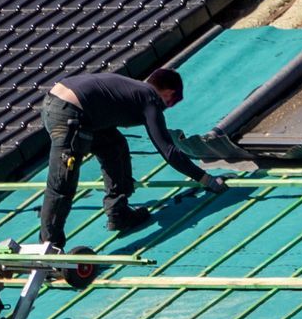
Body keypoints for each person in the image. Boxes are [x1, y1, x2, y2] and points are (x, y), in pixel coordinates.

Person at [38, 68, 225, 248]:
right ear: (168, 92)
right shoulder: (149, 97)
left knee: (114, 146)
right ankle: (50, 246)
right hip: (70, 114)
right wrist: (206, 179)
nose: (169, 106)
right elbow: (168, 150)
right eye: (174, 100)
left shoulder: (132, 90)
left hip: (59, 105)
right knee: (62, 184)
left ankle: (119, 213)